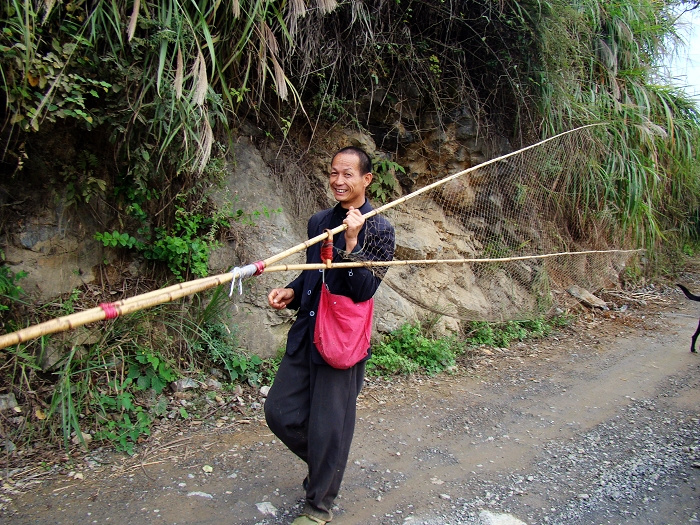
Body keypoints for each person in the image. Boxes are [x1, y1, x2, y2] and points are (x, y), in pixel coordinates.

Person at [264, 146, 395, 524]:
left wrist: (353, 245)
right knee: (279, 413)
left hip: (341, 340)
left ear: (366, 179)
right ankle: (326, 462)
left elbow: (364, 290)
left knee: (329, 424)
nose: (339, 181)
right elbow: (313, 272)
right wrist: (292, 290)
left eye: (348, 174)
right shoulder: (319, 220)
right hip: (308, 330)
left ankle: (318, 506)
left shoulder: (380, 229)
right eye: (334, 173)